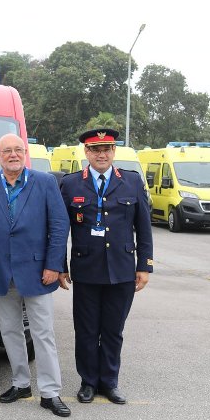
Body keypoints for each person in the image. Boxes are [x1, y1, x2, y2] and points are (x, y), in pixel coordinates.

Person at [0, 133, 72, 417]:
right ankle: (21, 383)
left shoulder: (45, 182)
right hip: (0, 272)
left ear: (25, 153)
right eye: (7, 151)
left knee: (43, 334)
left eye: (18, 150)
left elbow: (60, 225)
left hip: (39, 272)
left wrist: (54, 265)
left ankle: (50, 392)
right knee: (10, 331)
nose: (13, 155)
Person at [58, 128, 153, 405]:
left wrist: (144, 265)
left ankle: (109, 382)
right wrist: (60, 265)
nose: (102, 154)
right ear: (86, 152)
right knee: (86, 330)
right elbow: (60, 229)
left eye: (107, 149)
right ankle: (88, 382)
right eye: (96, 150)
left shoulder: (132, 182)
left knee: (113, 330)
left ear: (114, 152)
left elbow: (143, 228)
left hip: (122, 270)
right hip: (86, 269)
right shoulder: (71, 184)